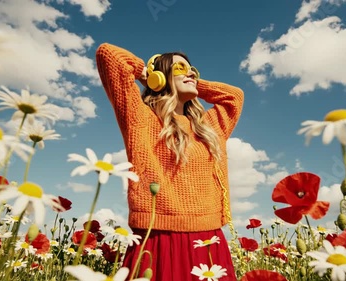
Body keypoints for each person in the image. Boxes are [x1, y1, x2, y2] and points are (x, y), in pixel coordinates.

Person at [96, 43, 244, 281]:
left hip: (208, 238)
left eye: (192, 69)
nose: (190, 73)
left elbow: (234, 97)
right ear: (160, 77)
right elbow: (108, 55)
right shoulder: (141, 117)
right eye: (179, 68)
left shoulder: (207, 127)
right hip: (158, 238)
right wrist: (147, 76)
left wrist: (194, 82)